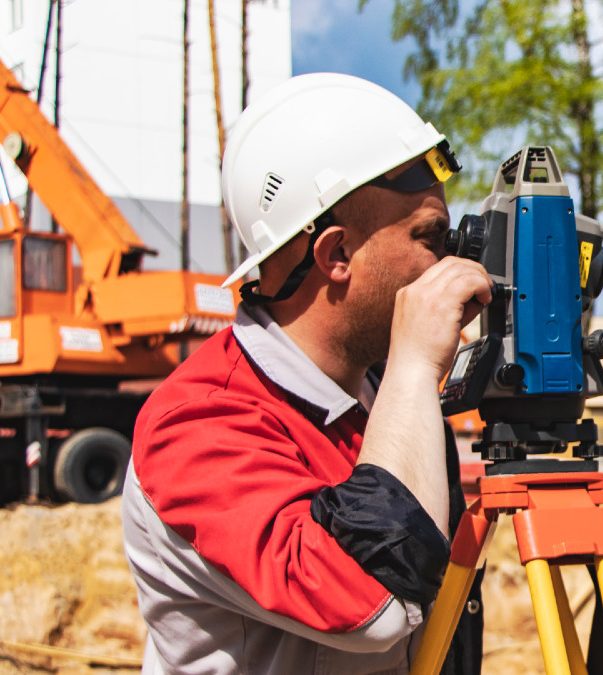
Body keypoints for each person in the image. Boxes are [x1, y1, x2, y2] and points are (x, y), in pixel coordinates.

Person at [121, 73, 492, 674]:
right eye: (429, 237)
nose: (449, 263)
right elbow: (376, 599)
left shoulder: (383, 397)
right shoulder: (197, 425)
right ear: (336, 255)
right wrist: (416, 366)